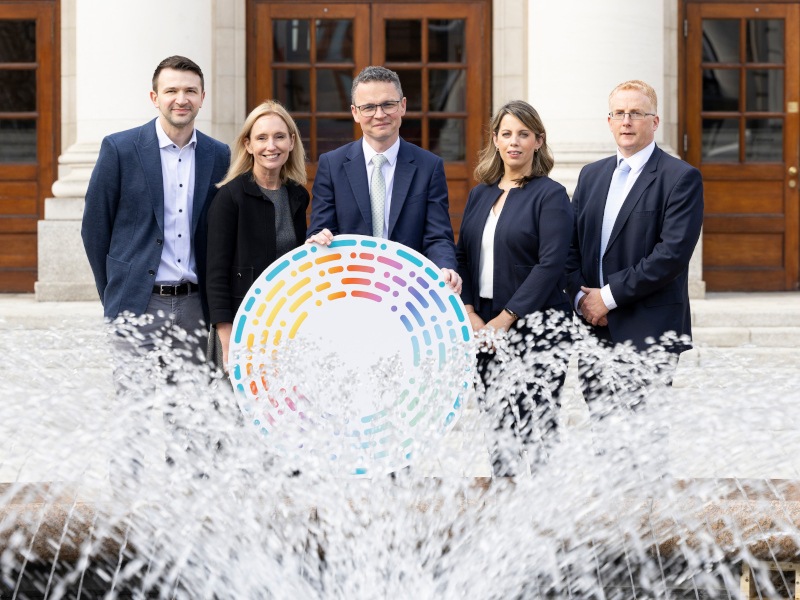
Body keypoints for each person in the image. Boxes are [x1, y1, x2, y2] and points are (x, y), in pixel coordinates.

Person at [82, 55, 231, 375]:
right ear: (155, 98)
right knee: (136, 414)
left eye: (191, 91)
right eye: (171, 90)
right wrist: (115, 291)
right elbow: (95, 228)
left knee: (188, 413)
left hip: (194, 307)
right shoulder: (120, 149)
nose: (181, 99)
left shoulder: (218, 154)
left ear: (202, 98)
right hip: (136, 303)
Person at [565, 80, 704, 410]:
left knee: (643, 441)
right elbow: (569, 246)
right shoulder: (590, 175)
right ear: (609, 120)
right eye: (619, 113)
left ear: (655, 122)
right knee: (602, 434)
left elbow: (671, 255)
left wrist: (607, 299)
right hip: (593, 328)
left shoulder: (680, 177)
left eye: (636, 113)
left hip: (648, 329)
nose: (626, 121)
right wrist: (582, 297)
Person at [456, 100, 574, 476]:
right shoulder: (480, 194)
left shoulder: (550, 194)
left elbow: (551, 264)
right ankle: (505, 507)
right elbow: (463, 258)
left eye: (524, 134)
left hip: (536, 327)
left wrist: (504, 320)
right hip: (485, 327)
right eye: (506, 134)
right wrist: (472, 313)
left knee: (537, 426)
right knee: (497, 425)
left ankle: (544, 512)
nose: (514, 142)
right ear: (495, 139)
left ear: (538, 141)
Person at [306, 65, 461, 293]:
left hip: (410, 289)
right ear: (355, 112)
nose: (380, 115)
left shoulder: (429, 166)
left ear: (403, 106)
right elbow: (321, 231)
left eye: (388, 104)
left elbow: (438, 236)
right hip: (350, 289)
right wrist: (318, 239)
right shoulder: (331, 165)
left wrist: (446, 267)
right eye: (368, 107)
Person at [206, 100, 309, 371]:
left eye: (279, 137)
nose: (271, 146)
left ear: (291, 142)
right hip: (241, 327)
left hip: (285, 324)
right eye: (261, 138)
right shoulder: (230, 197)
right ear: (248, 145)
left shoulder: (297, 195)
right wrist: (227, 341)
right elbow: (215, 274)